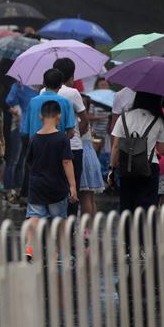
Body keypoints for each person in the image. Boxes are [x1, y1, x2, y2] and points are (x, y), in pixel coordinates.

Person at [24, 101, 78, 260]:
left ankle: (29, 248)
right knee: (59, 220)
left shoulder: (34, 138)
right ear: (59, 116)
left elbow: (29, 161)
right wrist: (72, 186)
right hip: (57, 185)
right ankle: (59, 253)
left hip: (37, 185)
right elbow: (67, 162)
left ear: (41, 117)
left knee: (34, 216)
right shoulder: (62, 138)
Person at [110, 92, 164, 212]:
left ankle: (127, 230)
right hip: (150, 166)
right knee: (147, 208)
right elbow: (162, 150)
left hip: (127, 166)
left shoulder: (124, 117)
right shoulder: (158, 120)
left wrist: (112, 167)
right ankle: (144, 230)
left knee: (127, 205)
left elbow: (116, 146)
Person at [49, 58, 89, 215]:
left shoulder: (44, 92)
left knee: (53, 187)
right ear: (71, 75)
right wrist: (82, 131)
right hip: (73, 146)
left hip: (50, 145)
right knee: (73, 189)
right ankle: (70, 228)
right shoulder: (73, 93)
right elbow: (84, 119)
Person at [4, 81, 37, 202]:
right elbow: (9, 100)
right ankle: (8, 190)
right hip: (19, 126)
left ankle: (19, 190)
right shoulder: (19, 86)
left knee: (23, 161)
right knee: (14, 160)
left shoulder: (39, 90)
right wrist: (17, 89)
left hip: (31, 128)